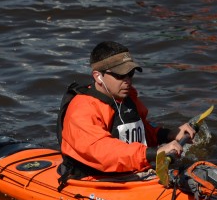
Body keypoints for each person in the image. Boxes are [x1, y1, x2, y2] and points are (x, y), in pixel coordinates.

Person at [57, 41, 196, 183]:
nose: (128, 81)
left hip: (131, 171)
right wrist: (153, 153)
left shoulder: (127, 97)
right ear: (98, 76)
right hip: (94, 180)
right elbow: (103, 151)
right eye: (120, 75)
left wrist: (168, 135)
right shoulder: (82, 109)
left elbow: (141, 131)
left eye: (130, 74)